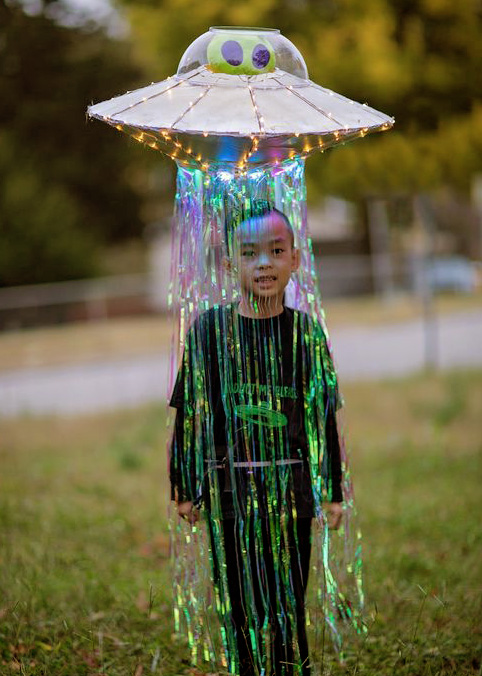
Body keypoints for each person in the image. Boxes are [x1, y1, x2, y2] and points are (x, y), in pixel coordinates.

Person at [170, 205, 344, 676]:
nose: (263, 263)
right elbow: (191, 414)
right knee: (240, 607)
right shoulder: (209, 331)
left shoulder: (306, 334)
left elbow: (321, 417)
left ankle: (292, 667)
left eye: (276, 251)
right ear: (230, 265)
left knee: (289, 600)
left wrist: (330, 490)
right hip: (230, 495)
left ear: (295, 260)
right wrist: (184, 486)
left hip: (292, 495)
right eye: (249, 254)